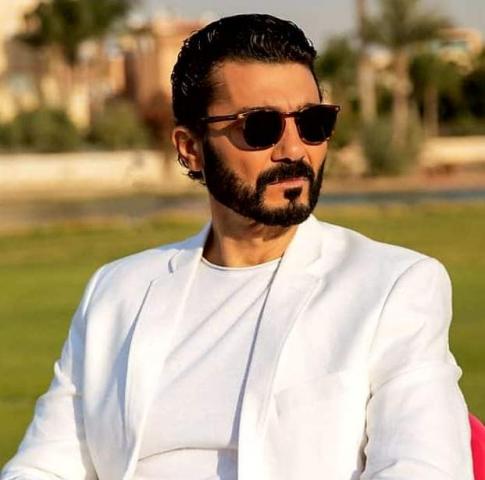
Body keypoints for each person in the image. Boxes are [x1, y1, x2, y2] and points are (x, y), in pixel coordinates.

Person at [2, 13, 473, 480]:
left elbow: (424, 468)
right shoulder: (116, 293)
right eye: (260, 127)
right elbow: (42, 466)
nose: (294, 150)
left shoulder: (391, 286)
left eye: (312, 123)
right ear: (190, 148)